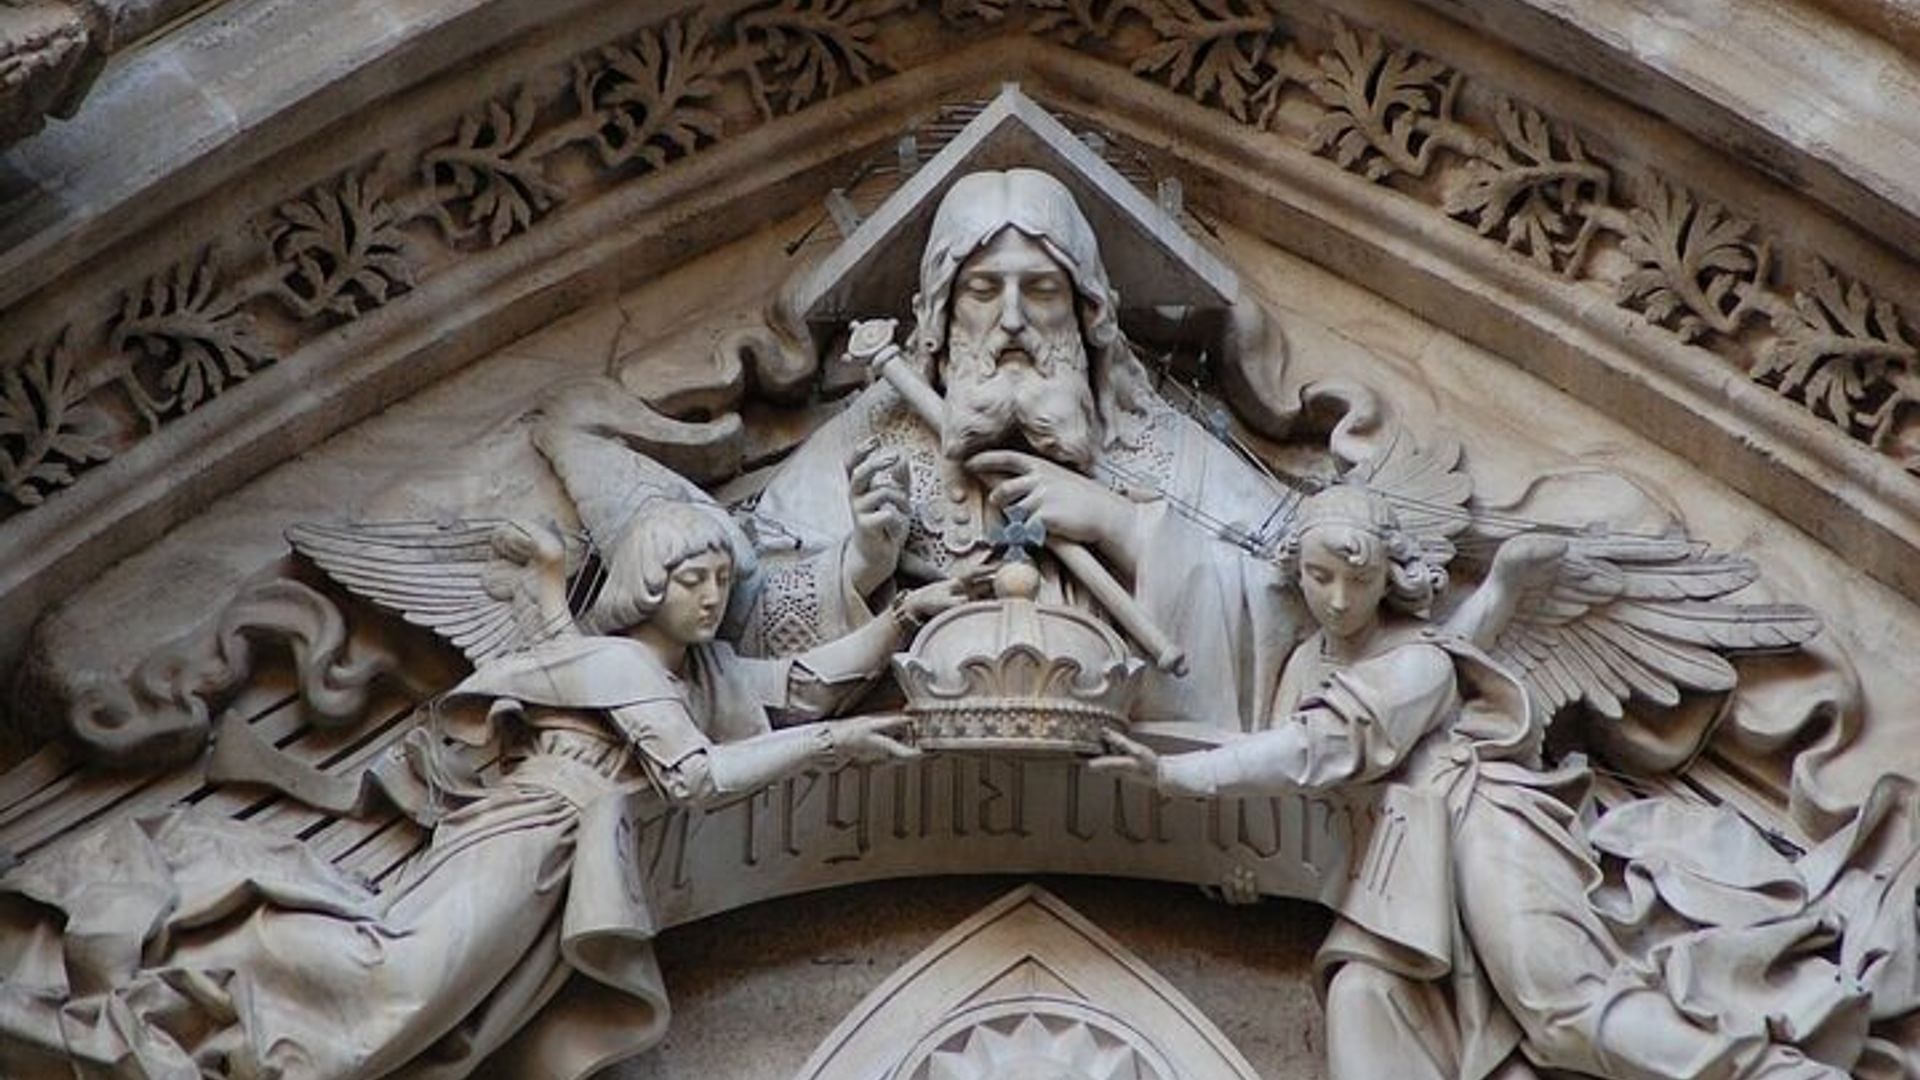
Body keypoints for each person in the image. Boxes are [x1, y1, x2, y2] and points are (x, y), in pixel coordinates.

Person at [0, 501, 968, 1080]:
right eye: (691, 579)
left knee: (447, 1018)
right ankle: (215, 994)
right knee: (405, 978)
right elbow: (695, 774)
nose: (711, 597)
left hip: (566, 852)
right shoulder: (617, 666)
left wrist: (901, 619)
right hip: (528, 830)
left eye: (720, 578)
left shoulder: (696, 679)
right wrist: (844, 743)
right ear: (646, 582)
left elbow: (795, 687)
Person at [1091, 485, 1856, 1080]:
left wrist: (1175, 773)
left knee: (1564, 1009)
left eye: (1354, 580)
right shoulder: (1305, 667)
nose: (1334, 598)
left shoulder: (1421, 661)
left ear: (1388, 576)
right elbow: (1294, 790)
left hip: (1476, 823)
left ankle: (1764, 1071)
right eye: (1318, 577)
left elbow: (1319, 749)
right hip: (1382, 877)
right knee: (1361, 1004)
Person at [737, 167, 1296, 734]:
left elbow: (1293, 596)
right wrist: (860, 564)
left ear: (1087, 313)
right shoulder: (868, 441)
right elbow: (737, 618)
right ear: (941, 313)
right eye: (983, 289)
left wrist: (1122, 526)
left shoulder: (1163, 446)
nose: (1011, 319)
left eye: (1041, 289)